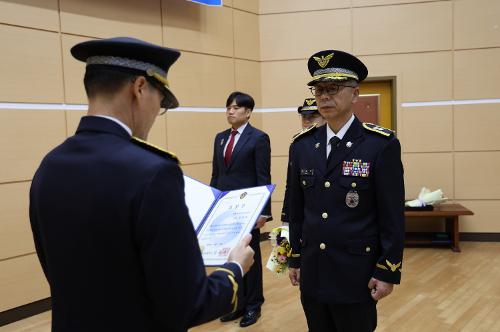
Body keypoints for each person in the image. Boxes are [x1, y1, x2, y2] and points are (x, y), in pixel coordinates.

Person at [29, 37, 255, 332]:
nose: (155, 115)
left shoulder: (49, 165)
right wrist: (234, 269)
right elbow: (189, 303)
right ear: (139, 88)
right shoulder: (153, 172)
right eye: (161, 104)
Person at [287, 49, 405, 332]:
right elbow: (295, 207)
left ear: (355, 94)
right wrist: (295, 257)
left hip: (356, 273)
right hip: (313, 271)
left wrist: (387, 269)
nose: (324, 96)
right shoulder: (302, 145)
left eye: (333, 88)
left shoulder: (380, 145)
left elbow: (392, 215)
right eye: (318, 89)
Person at [210, 91, 272, 327]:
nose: (230, 111)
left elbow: (263, 176)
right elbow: (217, 174)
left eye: (236, 108)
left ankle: (254, 305)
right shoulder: (220, 138)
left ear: (248, 112)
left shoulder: (258, 138)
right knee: (230, 256)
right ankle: (237, 304)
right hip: (225, 209)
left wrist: (263, 212)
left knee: (250, 258)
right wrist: (212, 202)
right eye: (228, 107)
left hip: (248, 210)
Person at [281, 98, 326, 224]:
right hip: (306, 214)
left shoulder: (334, 142)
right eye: (304, 116)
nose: (307, 120)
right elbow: (291, 185)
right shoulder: (297, 145)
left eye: (313, 116)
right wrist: (286, 218)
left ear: (325, 117)